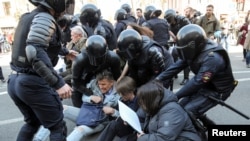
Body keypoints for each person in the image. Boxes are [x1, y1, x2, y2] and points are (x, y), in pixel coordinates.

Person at [7, 0, 75, 140]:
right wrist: (58, 83)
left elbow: (40, 42)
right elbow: (34, 50)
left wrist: (64, 51)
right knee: (57, 127)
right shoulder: (44, 17)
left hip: (14, 80)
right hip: (32, 82)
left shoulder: (27, 16)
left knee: (32, 123)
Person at [155, 24, 237, 127]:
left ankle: (199, 134)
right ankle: (208, 125)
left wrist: (175, 96)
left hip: (216, 90)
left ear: (193, 45)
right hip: (205, 85)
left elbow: (198, 82)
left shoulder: (213, 58)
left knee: (187, 112)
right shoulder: (194, 51)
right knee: (179, 107)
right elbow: (177, 66)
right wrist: (158, 79)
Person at [33, 70, 120, 141]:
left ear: (111, 83)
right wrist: (90, 98)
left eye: (103, 84)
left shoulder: (119, 94)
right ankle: (38, 139)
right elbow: (84, 97)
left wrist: (112, 111)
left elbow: (123, 115)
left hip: (99, 121)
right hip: (86, 113)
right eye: (99, 84)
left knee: (79, 130)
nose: (101, 87)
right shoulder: (94, 83)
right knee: (61, 108)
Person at [136, 81, 201, 141]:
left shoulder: (172, 111)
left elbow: (163, 138)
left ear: (150, 100)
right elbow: (140, 116)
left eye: (142, 101)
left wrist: (143, 138)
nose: (141, 104)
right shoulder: (154, 105)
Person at [72, 35, 121, 108]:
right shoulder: (79, 60)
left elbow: (117, 77)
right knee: (77, 99)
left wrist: (112, 91)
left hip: (102, 77)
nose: (96, 61)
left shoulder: (113, 58)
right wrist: (90, 93)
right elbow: (76, 82)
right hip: (83, 79)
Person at [96, 76, 145, 141]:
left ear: (131, 91)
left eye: (123, 93)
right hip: (124, 126)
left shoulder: (139, 102)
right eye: (120, 93)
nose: (121, 95)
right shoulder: (123, 100)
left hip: (134, 131)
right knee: (112, 124)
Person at [164, 8, 191, 85]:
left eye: (170, 19)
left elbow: (189, 29)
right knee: (173, 55)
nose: (170, 21)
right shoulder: (169, 24)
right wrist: (173, 36)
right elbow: (168, 29)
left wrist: (181, 37)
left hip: (186, 41)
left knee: (185, 58)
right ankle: (174, 73)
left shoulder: (183, 20)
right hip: (178, 42)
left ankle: (186, 78)